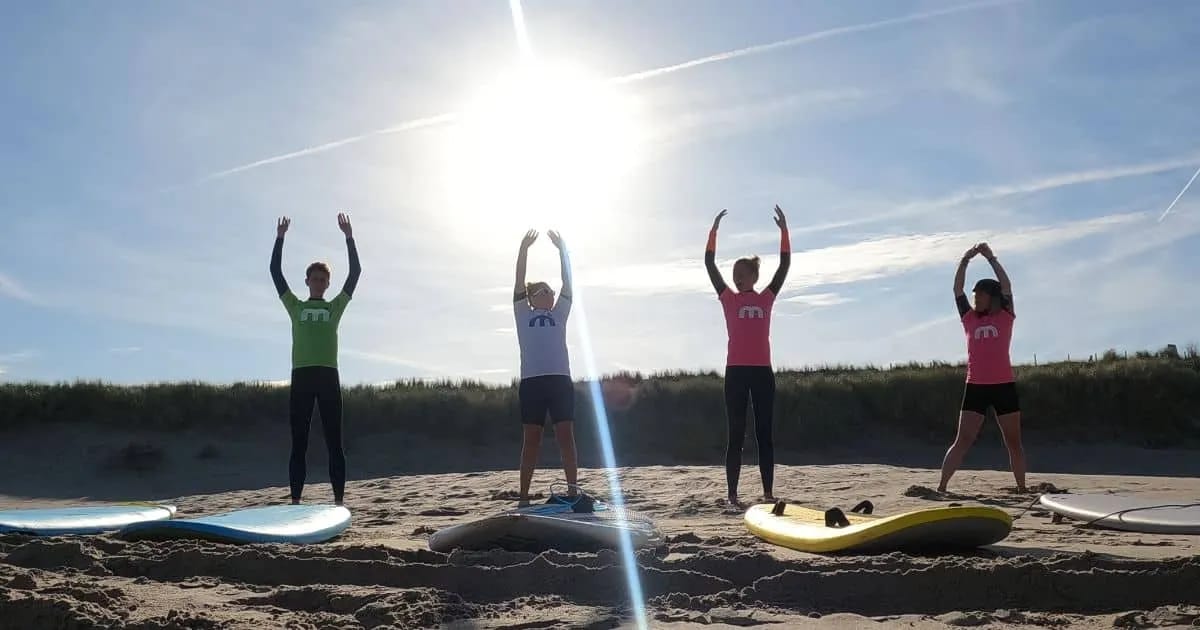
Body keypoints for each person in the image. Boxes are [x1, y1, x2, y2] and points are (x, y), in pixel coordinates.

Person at [270, 213, 361, 506]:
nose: (319, 283)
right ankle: (295, 502)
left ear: (327, 283)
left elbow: (356, 272)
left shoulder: (335, 307)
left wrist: (349, 237)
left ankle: (338, 502)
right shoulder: (295, 306)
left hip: (328, 377)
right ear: (307, 281)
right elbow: (275, 271)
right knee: (299, 443)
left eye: (324, 279)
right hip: (302, 377)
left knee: (335, 441)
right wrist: (280, 237)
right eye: (315, 279)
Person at [705, 206, 791, 508]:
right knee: (736, 435)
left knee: (764, 433)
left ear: (754, 275)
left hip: (762, 372)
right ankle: (732, 494)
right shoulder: (728, 299)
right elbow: (709, 263)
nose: (736, 278)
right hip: (736, 372)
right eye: (734, 275)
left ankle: (768, 493)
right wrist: (713, 231)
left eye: (742, 275)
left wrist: (784, 232)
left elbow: (784, 266)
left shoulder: (767, 298)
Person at [938, 241, 1027, 493]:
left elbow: (1008, 286)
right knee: (963, 440)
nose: (975, 298)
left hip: (1003, 386)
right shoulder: (969, 318)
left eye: (980, 294)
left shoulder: (1005, 316)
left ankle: (1021, 488)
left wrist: (991, 258)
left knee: (1013, 442)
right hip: (975, 386)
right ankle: (942, 486)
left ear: (993, 298)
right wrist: (966, 259)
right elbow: (957, 289)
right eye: (974, 294)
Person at [512, 229, 579, 506]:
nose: (550, 294)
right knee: (532, 439)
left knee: (565, 435)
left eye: (551, 291)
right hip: (533, 383)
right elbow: (518, 280)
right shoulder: (522, 312)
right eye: (544, 291)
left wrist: (562, 251)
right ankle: (524, 496)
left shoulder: (559, 314)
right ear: (531, 298)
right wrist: (524, 250)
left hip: (560, 381)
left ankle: (573, 491)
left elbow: (568, 283)